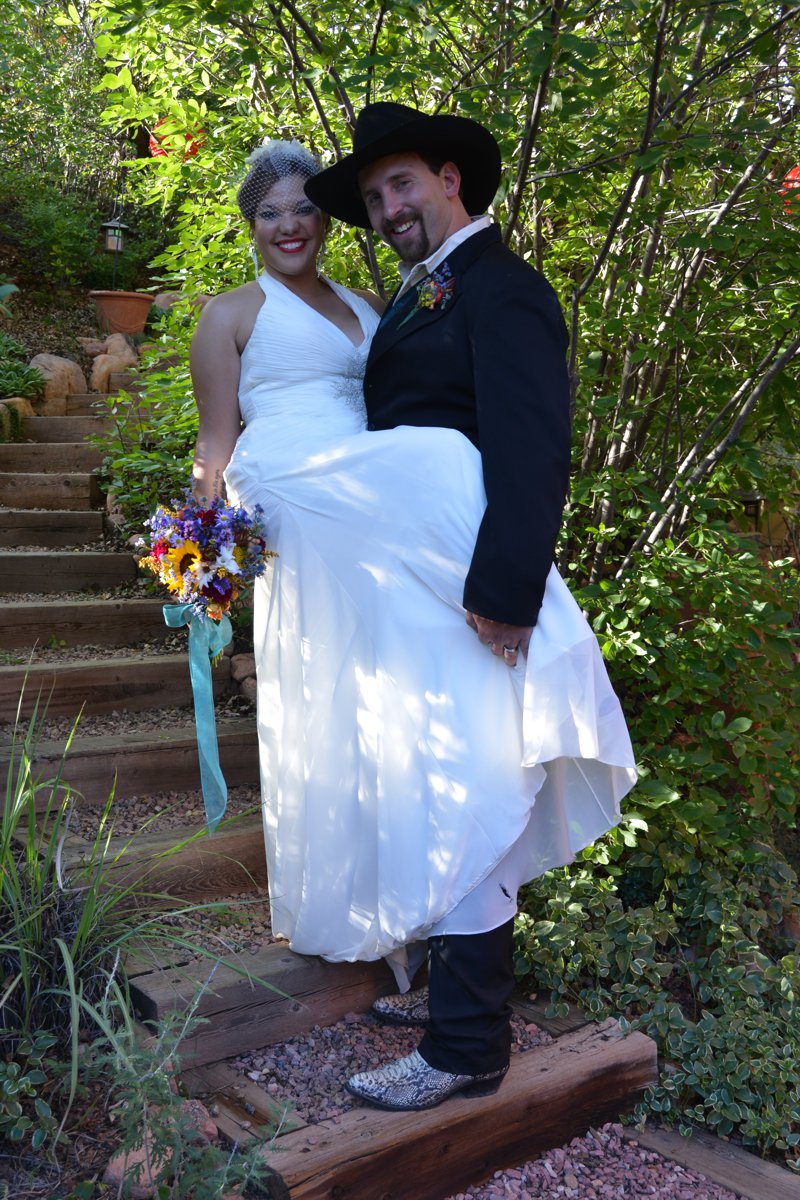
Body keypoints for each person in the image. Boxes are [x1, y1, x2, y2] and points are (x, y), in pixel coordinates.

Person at [190, 128, 636, 1115]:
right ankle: (454, 995)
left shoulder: (499, 285)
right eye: (374, 194)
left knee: (467, 766)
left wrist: (508, 592)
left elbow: (528, 442)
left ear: (447, 179)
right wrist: (202, 549)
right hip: (387, 570)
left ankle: (468, 1046)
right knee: (425, 759)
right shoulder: (416, 288)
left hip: (464, 580)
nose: (384, 209)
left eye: (400, 185)